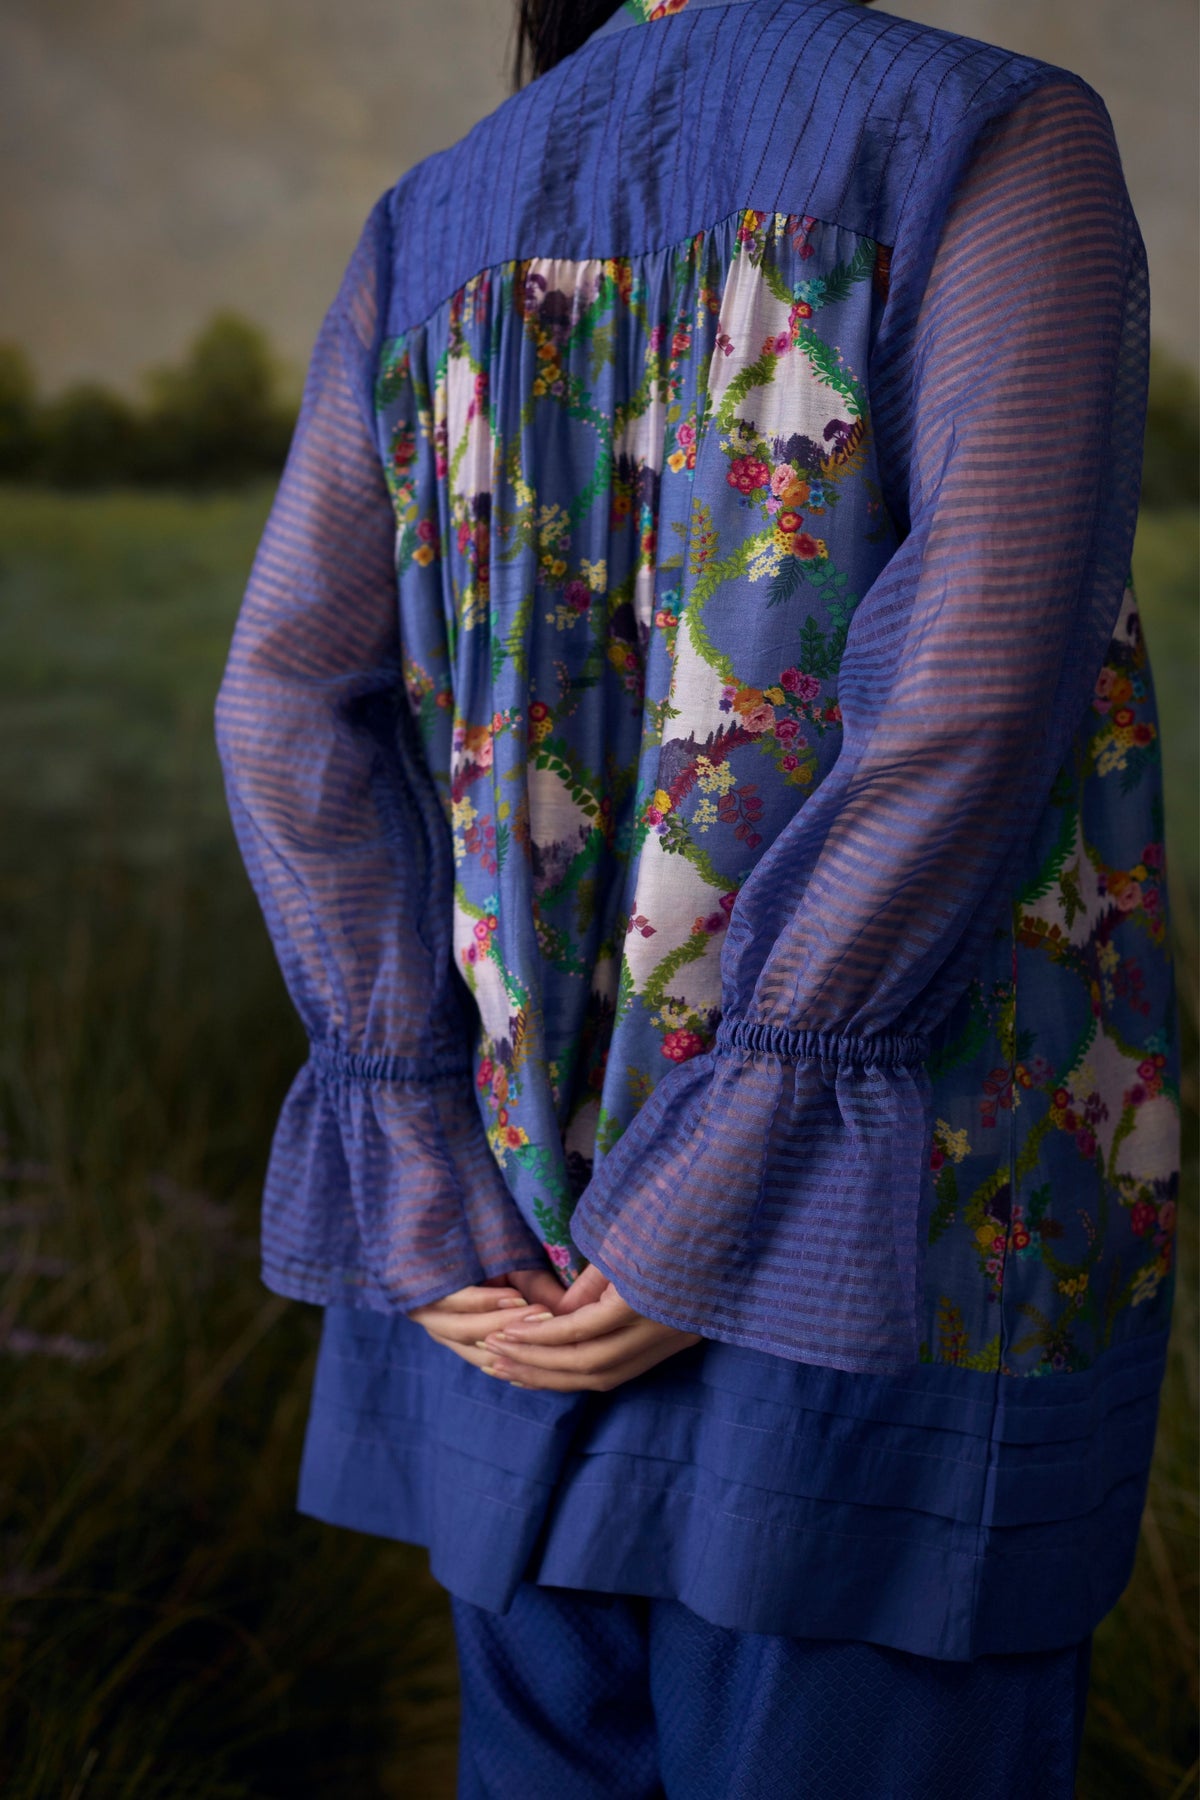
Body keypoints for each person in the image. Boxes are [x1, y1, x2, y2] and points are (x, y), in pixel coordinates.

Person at [214, 0, 1180, 1793]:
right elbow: (971, 691)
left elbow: (280, 700)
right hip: (887, 1270)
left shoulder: (432, 222)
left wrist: (417, 1152)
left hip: (514, 1276)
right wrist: (730, 1193)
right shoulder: (994, 134)